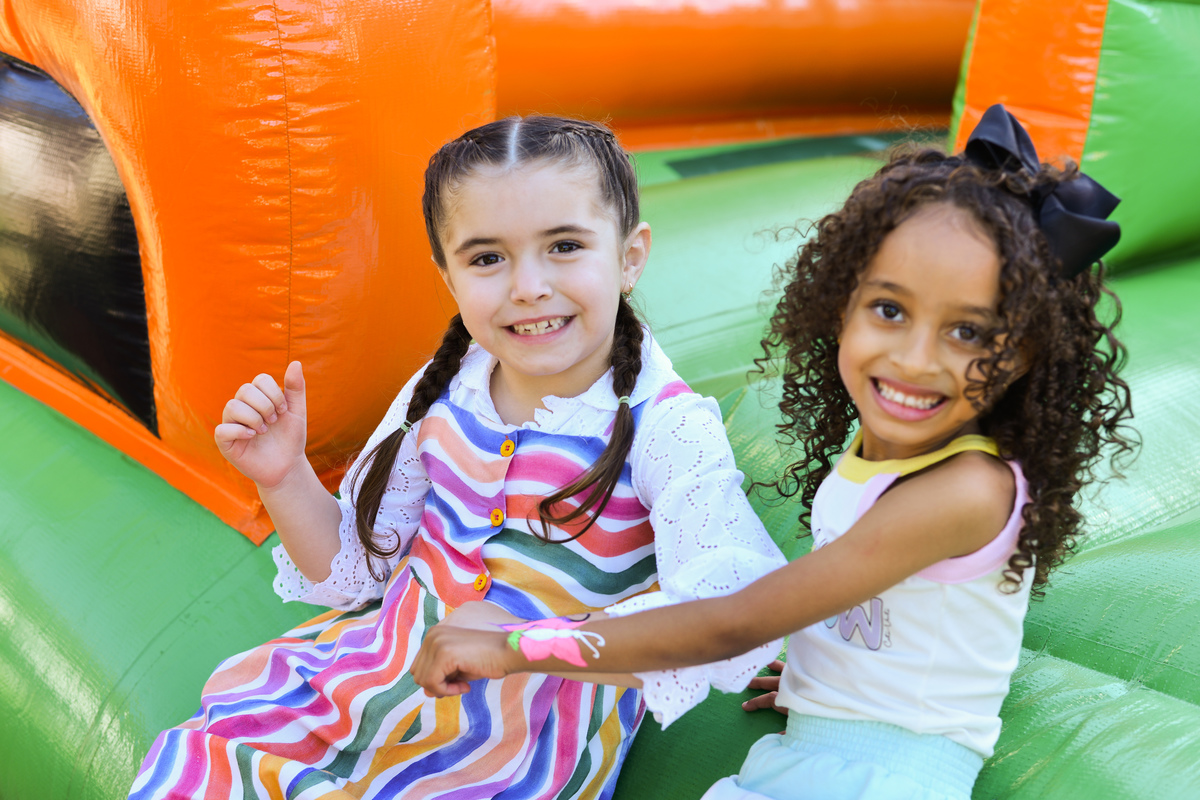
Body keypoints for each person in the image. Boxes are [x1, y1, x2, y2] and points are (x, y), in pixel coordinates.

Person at [411, 106, 1137, 800]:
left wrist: (517, 646)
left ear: (1028, 351)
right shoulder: (890, 442)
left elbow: (733, 622)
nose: (915, 359)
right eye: (889, 311)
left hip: (883, 780)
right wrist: (827, 676)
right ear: (840, 303)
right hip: (819, 754)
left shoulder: (966, 489)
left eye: (968, 333)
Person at [127, 116, 787, 800]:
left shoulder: (663, 425)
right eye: (486, 259)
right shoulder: (448, 388)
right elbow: (357, 570)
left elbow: (731, 603)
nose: (528, 286)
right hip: (362, 688)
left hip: (503, 749)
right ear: (447, 275)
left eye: (564, 246)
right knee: (204, 771)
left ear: (629, 256)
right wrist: (284, 476)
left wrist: (524, 643)